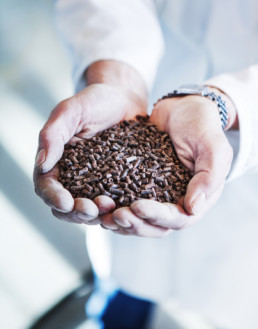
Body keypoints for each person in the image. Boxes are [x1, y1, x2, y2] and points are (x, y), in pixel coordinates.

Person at [33, 1, 258, 328]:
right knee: (121, 298)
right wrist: (115, 76)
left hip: (244, 199)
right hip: (143, 86)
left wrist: (229, 103)